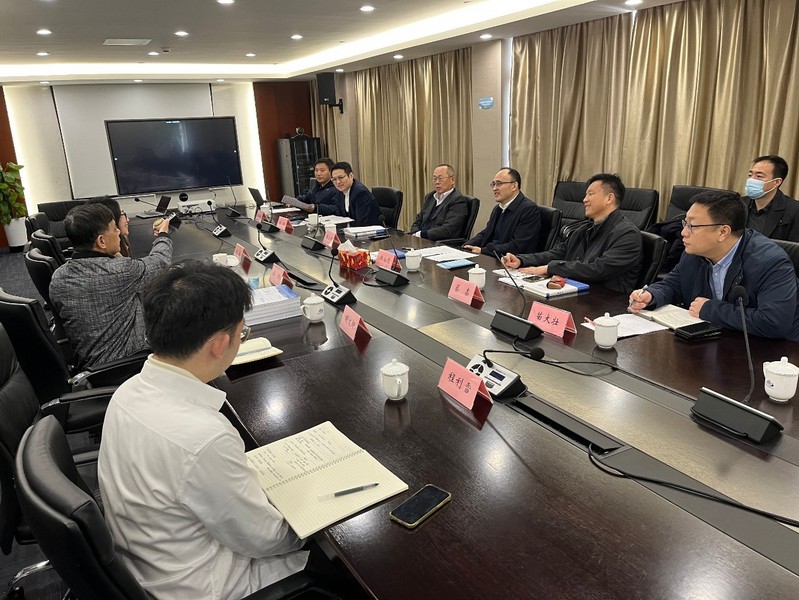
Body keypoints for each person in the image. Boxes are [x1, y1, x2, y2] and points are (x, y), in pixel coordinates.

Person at [98, 261, 307, 599]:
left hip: (147, 565)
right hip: (209, 586)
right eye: (243, 333)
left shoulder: (127, 392)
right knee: (335, 562)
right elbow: (266, 538)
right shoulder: (203, 438)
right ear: (220, 345)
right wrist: (316, 521)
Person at [629, 190, 799, 341]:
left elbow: (774, 322)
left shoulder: (771, 263)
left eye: (692, 226)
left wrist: (709, 309)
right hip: (716, 339)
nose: (683, 232)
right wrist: (652, 295)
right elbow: (673, 285)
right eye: (685, 223)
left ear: (723, 232)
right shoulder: (694, 253)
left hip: (771, 351)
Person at [49, 203, 172, 369]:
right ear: (101, 241)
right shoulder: (121, 271)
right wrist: (163, 235)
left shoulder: (58, 276)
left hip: (88, 368)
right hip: (127, 366)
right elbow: (160, 261)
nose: (119, 232)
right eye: (114, 229)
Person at [502, 173, 642, 293]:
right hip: (575, 292)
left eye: (591, 194)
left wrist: (549, 268)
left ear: (609, 198)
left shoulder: (627, 235)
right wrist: (522, 260)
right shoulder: (584, 228)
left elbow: (597, 270)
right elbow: (558, 253)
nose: (584, 200)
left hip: (604, 302)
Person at [463, 167, 541, 256]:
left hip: (510, 260)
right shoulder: (498, 208)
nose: (494, 189)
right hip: (490, 256)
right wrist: (466, 245)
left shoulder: (528, 209)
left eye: (499, 184)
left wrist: (482, 251)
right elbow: (486, 233)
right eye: (493, 184)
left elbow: (518, 246)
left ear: (514, 186)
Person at [742, 154, 799, 241]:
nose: (752, 180)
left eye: (759, 176)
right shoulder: (739, 203)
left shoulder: (794, 210)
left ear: (777, 182)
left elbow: (793, 247)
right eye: (750, 175)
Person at [409, 164, 469, 241]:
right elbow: (419, 219)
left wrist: (420, 235)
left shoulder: (458, 201)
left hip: (438, 242)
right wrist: (415, 233)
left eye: (440, 179)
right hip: (420, 239)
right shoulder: (430, 196)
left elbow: (447, 230)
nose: (437, 182)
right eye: (435, 178)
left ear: (452, 180)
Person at [326, 161, 382, 226]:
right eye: (334, 179)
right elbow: (340, 214)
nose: (338, 182)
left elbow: (362, 222)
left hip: (369, 230)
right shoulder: (340, 192)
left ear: (351, 176)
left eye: (341, 178)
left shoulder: (360, 193)